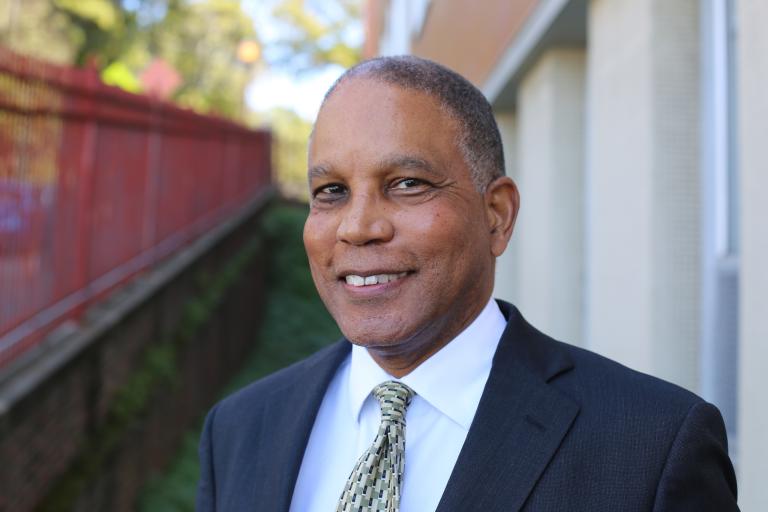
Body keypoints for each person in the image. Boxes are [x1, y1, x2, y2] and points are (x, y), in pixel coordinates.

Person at [196, 56, 738, 512]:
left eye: (407, 184)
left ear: (497, 215)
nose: (358, 226)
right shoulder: (239, 431)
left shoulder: (651, 447)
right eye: (332, 191)